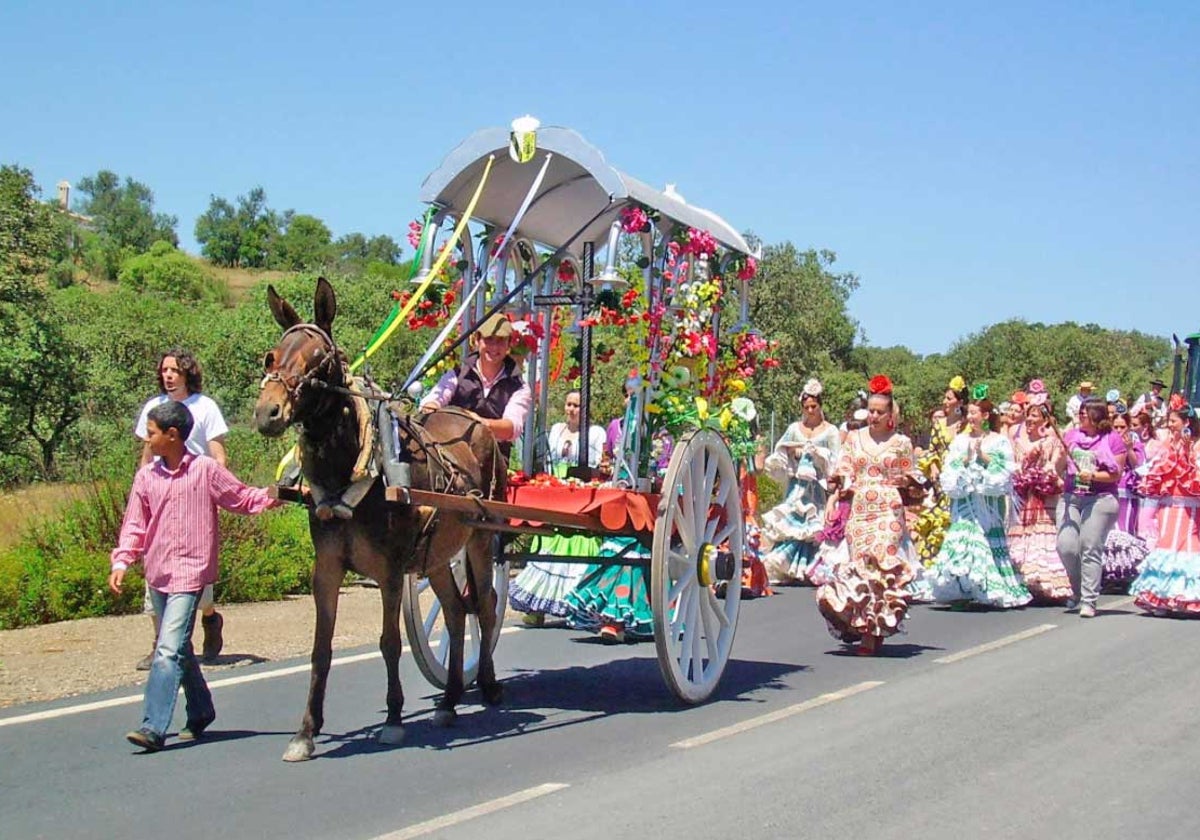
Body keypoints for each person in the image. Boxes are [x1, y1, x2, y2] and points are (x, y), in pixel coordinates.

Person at [110, 401, 279, 752]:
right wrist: (122, 561)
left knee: (167, 648)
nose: (148, 439)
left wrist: (280, 496)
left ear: (172, 436)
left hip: (190, 571)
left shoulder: (204, 470)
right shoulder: (146, 477)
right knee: (180, 649)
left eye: (152, 433)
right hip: (158, 572)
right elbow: (134, 524)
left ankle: (152, 727)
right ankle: (201, 710)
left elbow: (242, 498)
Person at [133, 349, 230, 670]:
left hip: (196, 493)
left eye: (174, 370)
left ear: (187, 373)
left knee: (198, 590)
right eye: (164, 370)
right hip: (162, 493)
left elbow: (218, 454)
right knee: (157, 575)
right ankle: (161, 647)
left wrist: (221, 488)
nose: (168, 375)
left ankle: (210, 619)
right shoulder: (154, 408)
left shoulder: (205, 407)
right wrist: (140, 488)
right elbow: (147, 454)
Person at [816, 375, 923, 655]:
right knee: (861, 566)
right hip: (861, 508)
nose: (874, 416)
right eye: (871, 411)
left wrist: (907, 485)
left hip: (888, 509)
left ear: (890, 415)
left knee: (882, 566)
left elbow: (912, 477)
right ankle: (861, 624)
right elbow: (842, 472)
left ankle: (874, 634)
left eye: (879, 412)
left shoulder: (901, 442)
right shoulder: (854, 438)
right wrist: (833, 500)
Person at [928, 385, 1031, 608]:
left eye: (975, 413)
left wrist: (984, 458)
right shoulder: (960, 441)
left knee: (985, 541)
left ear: (985, 416)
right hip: (965, 502)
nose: (971, 417)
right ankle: (963, 588)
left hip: (988, 504)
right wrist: (964, 461)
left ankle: (988, 588)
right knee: (964, 540)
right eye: (969, 413)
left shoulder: (998, 441)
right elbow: (950, 468)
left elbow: (1004, 471)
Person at [508, 391, 604, 626]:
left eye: (577, 405)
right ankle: (538, 605)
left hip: (583, 491)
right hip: (556, 487)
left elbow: (602, 463)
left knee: (580, 543)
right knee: (548, 543)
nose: (571, 409)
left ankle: (579, 606)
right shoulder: (557, 430)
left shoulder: (595, 433)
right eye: (569, 404)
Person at [760, 378, 840, 584]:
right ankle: (788, 567)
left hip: (817, 487)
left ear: (821, 405)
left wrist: (820, 456)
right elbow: (781, 449)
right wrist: (794, 453)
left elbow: (836, 457)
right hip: (797, 485)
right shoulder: (795, 428)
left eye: (814, 406)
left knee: (814, 525)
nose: (810, 411)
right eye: (806, 407)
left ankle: (811, 568)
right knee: (792, 521)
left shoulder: (830, 430)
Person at [420, 313, 532, 458]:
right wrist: (432, 405)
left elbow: (512, 428)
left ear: (509, 345)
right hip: (450, 458)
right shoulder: (456, 375)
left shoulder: (519, 387)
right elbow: (437, 397)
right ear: (477, 340)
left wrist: (479, 423)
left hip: (492, 463)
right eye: (488, 339)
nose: (494, 347)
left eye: (500, 341)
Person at [1057, 397, 1128, 618]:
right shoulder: (1071, 437)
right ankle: (1077, 589)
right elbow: (1059, 468)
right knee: (1066, 546)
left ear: (1096, 416)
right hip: (1072, 497)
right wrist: (1061, 456)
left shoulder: (1112, 440)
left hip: (1100, 498)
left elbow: (1116, 473)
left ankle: (1089, 599)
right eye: (1079, 412)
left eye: (1084, 413)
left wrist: (1093, 475)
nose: (1080, 416)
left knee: (1089, 545)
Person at [1129, 398, 1200, 617]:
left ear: (1186, 422)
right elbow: (1155, 468)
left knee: (1188, 548)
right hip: (1168, 504)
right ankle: (1162, 597)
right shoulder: (1168, 444)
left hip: (1191, 507)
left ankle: (1188, 597)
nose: (1170, 425)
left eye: (1173, 421)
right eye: (1169, 421)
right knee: (1165, 546)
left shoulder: (1197, 444)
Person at [1005, 381, 1072, 603]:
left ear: (1045, 418)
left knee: (1040, 538)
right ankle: (1022, 580)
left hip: (1043, 497)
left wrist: (1046, 475)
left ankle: (1045, 583)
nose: (1031, 419)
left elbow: (1057, 465)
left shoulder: (1053, 438)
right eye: (1029, 415)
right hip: (1020, 494)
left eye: (1036, 415)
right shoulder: (1014, 432)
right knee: (1020, 535)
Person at [912, 376, 967, 566]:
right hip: (942, 479)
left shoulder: (965, 425)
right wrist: (934, 466)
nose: (945, 402)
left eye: (949, 399)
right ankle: (934, 561)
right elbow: (932, 450)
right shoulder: (939, 425)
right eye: (944, 398)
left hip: (962, 478)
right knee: (939, 516)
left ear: (959, 402)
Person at [1100, 409, 1148, 591]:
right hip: (1109, 488)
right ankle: (1108, 572)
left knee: (1124, 531)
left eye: (1123, 427)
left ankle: (1125, 573)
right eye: (1116, 426)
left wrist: (1128, 448)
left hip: (1127, 490)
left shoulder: (1135, 443)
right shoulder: (1106, 440)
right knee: (1108, 531)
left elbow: (1138, 464)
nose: (1119, 430)